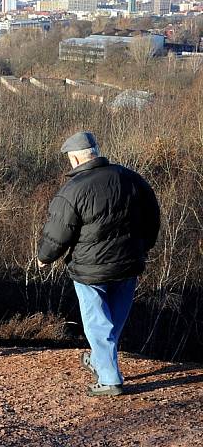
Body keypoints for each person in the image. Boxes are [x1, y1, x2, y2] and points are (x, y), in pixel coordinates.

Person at [37, 131, 160, 397]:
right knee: (113, 320)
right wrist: (142, 247)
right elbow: (152, 217)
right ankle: (98, 360)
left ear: (75, 158)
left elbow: (58, 231)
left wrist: (45, 257)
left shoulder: (73, 189)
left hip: (90, 270)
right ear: (96, 151)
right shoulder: (132, 179)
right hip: (128, 264)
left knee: (98, 322)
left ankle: (109, 378)